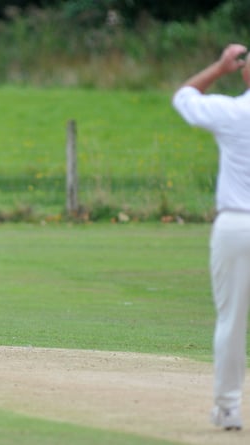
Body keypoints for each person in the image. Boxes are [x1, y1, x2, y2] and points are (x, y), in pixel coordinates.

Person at [172, 43, 250, 431]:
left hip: (236, 224)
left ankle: (229, 407)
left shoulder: (235, 111)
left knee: (232, 320)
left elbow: (184, 97)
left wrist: (220, 68)